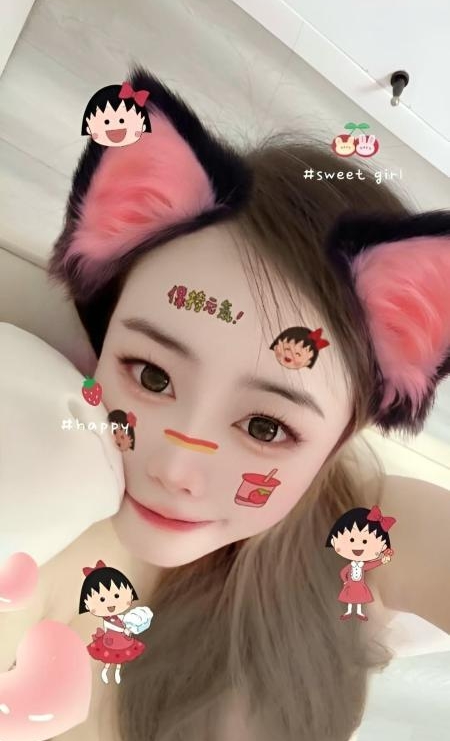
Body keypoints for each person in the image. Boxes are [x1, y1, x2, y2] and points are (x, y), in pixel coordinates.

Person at [1, 67, 449, 741]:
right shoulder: (53, 532)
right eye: (151, 376)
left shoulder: (360, 528)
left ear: (342, 434)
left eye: (265, 425)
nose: (175, 468)